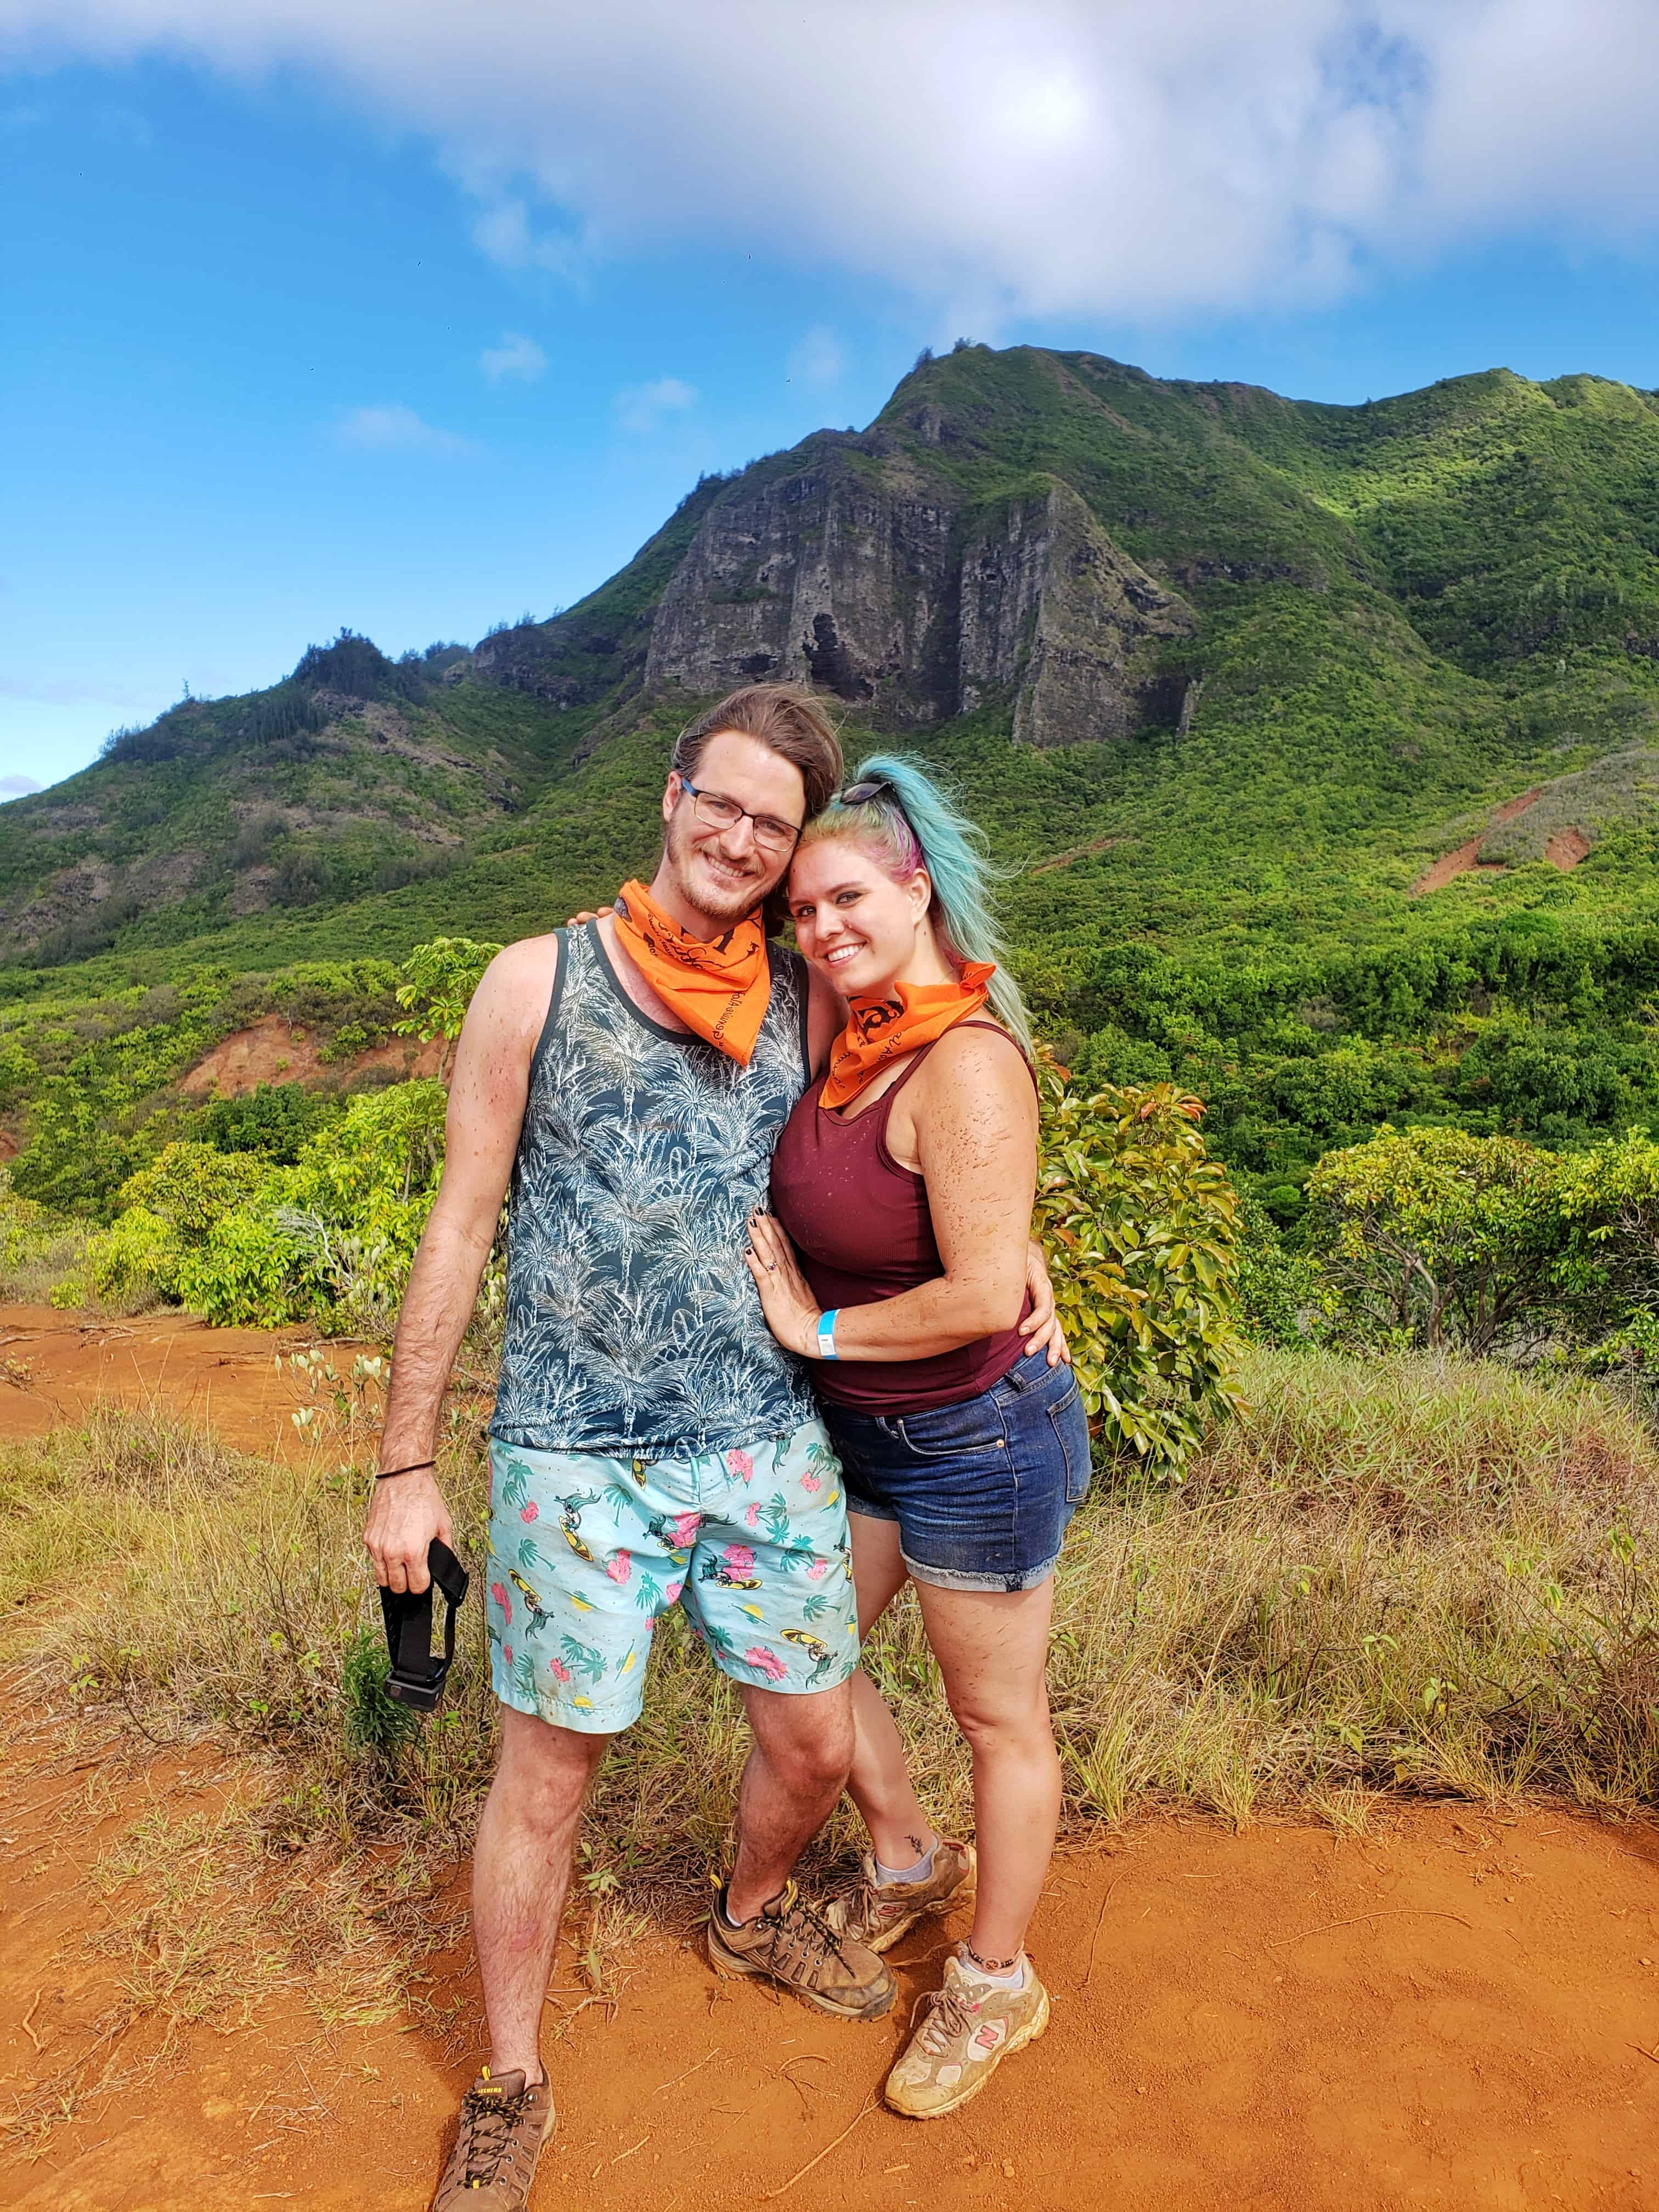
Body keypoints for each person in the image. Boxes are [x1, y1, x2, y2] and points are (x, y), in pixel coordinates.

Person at [362, 690, 1063, 2210]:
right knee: (546, 1778)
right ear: (671, 795)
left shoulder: (807, 991)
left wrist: (1026, 1265)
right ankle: (509, 2081)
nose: (744, 840)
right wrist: (403, 1466)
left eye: (775, 822)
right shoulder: (534, 981)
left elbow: (945, 1102)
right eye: (722, 804)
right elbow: (461, 1221)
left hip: (764, 1441)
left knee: (813, 1742)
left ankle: (749, 1913)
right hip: (573, 1452)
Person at [746, 755, 1091, 2123]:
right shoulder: (851, 1023)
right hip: (871, 1443)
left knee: (997, 1717)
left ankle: (997, 1981)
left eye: (845, 899)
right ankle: (908, 1863)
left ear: (915, 886)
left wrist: (811, 1330)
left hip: (975, 1439)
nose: (821, 930)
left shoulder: (962, 1059)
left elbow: (972, 1292)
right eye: (802, 914)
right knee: (804, 1656)